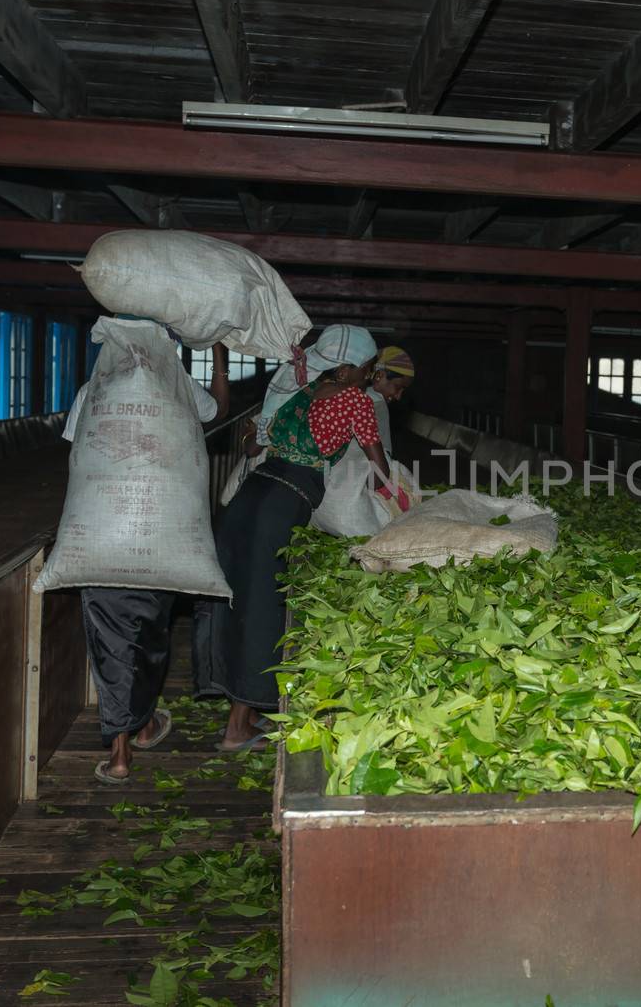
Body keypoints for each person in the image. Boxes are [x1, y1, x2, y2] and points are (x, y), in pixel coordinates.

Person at [193, 324, 410, 752]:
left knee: (235, 600)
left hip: (247, 501)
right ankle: (236, 729)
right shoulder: (356, 400)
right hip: (282, 504)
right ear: (346, 370)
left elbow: (253, 449)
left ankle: (247, 713)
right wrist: (398, 505)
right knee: (262, 611)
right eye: (367, 369)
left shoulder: (293, 389)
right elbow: (377, 462)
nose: (370, 377)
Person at [69, 333, 230, 784]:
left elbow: (78, 454)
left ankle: (124, 745)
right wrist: (218, 353)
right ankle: (139, 729)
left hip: (103, 531)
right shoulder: (177, 385)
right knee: (147, 638)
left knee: (110, 644)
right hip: (158, 535)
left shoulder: (93, 391)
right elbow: (219, 409)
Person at [367, 346, 415, 456]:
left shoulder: (350, 397)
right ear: (379, 376)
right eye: (398, 387)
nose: (398, 397)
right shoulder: (378, 405)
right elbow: (383, 458)